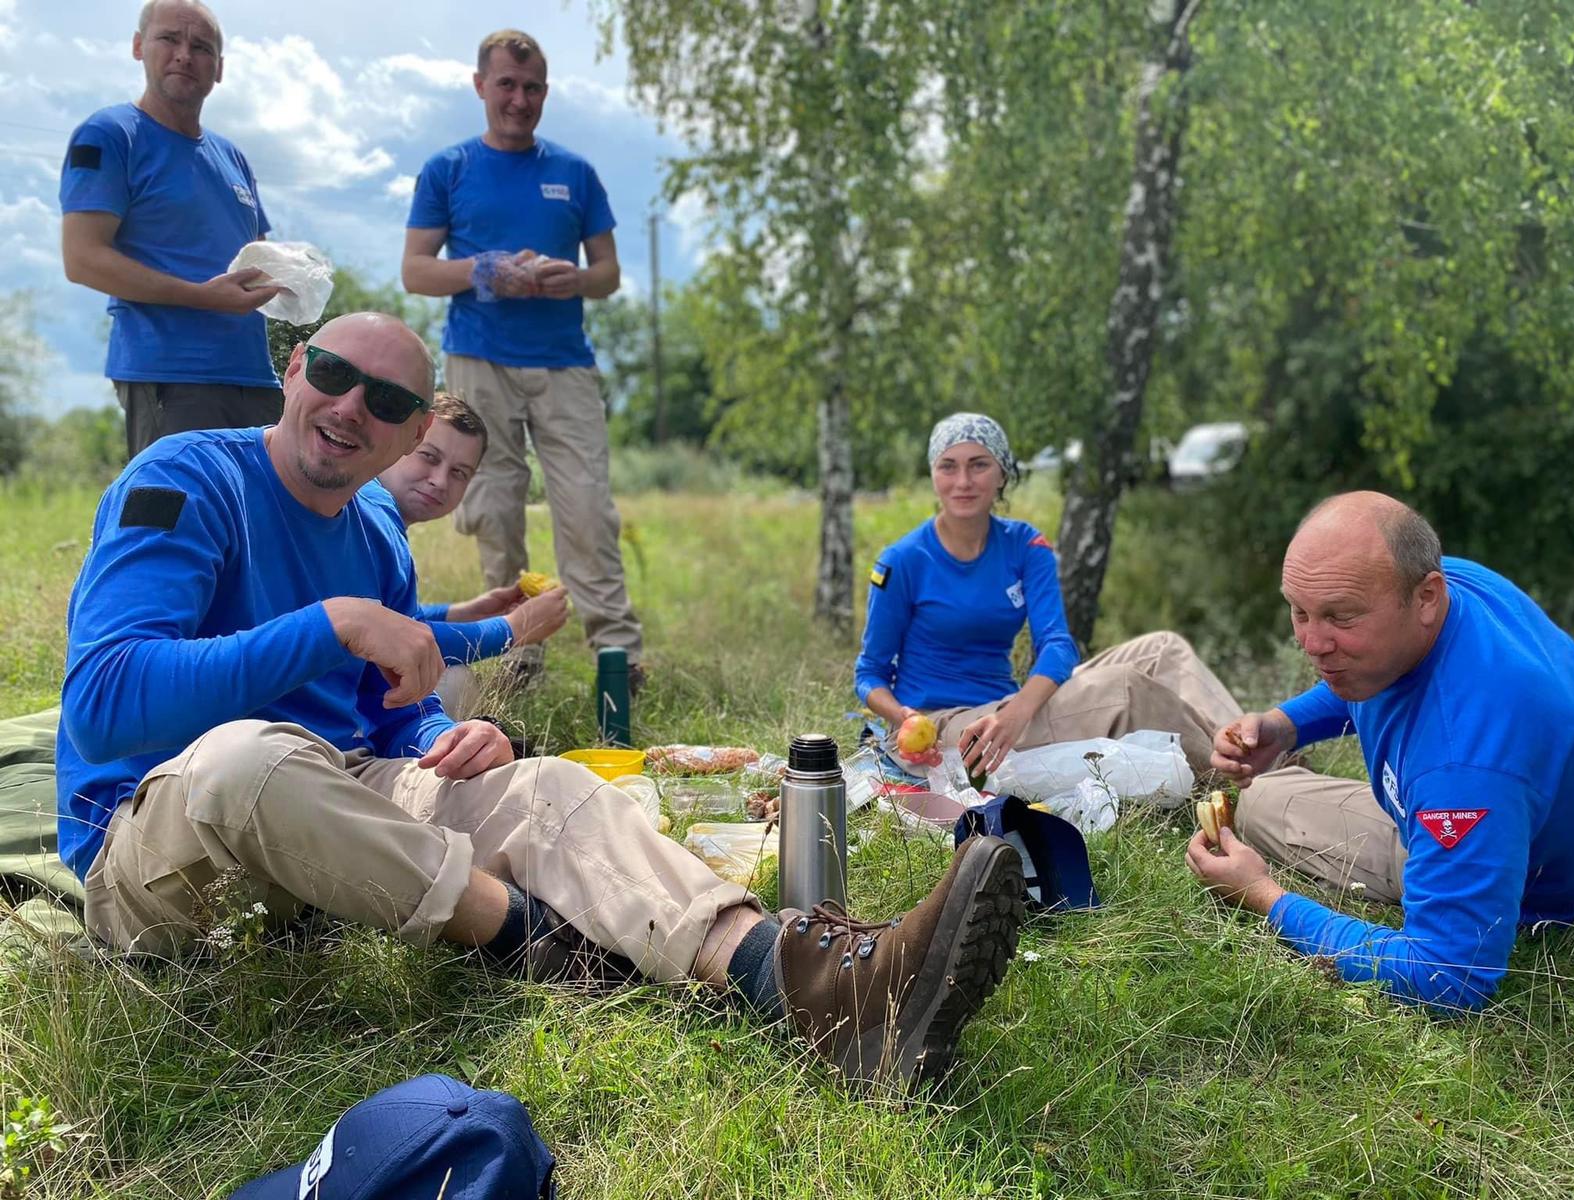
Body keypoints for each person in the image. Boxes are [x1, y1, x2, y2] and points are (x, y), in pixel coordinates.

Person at [55, 311, 1026, 1090]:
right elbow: (104, 702)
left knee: (547, 784)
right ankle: (534, 941)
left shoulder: (376, 539)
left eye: (387, 399)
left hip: (332, 815)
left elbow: (393, 718)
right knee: (251, 758)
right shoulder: (186, 481)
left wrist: (449, 731)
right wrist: (331, 624)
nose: (353, 406)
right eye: (336, 374)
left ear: (406, 429)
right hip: (158, 845)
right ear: (293, 367)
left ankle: (800, 981)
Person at [1188, 492, 1574, 1010]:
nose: (1312, 643)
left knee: (1265, 808)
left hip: (1524, 876)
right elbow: (1365, 677)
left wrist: (1264, 897)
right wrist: (1285, 726)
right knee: (1265, 794)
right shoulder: (1452, 586)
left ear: (1425, 597)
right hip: (1531, 802)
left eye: (1340, 617)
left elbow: (1449, 975)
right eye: (1299, 611)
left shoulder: (1463, 767)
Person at [401, 28, 644, 693]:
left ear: (545, 93)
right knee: (495, 506)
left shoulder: (575, 173)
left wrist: (577, 279)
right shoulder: (447, 169)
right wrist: (482, 271)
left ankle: (617, 659)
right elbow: (416, 272)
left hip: (564, 361)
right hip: (479, 357)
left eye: (532, 87)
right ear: (481, 85)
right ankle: (517, 657)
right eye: (506, 84)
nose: (519, 99)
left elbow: (610, 273)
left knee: (588, 506)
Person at [856, 412, 1245, 782]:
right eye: (948, 466)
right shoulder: (902, 561)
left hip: (1004, 712)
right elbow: (869, 673)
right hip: (946, 724)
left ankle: (1256, 750)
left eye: (979, 464)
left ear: (1003, 472)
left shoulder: (1025, 545)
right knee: (1124, 690)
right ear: (933, 474)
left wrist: (1017, 711)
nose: (963, 481)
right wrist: (903, 717)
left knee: (1164, 649)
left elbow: (1057, 644)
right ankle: (1236, 772)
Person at [59, 0, 284, 458]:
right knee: (184, 523)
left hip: (255, 376)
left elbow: (259, 260)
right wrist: (204, 297)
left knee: (260, 524)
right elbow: (81, 259)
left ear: (218, 69)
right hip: (173, 377)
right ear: (139, 46)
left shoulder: (233, 157)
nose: (184, 54)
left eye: (201, 47)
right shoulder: (110, 134)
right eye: (169, 39)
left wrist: (299, 275)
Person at [375, 392, 567, 721]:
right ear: (403, 441)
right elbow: (391, 641)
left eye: (459, 472)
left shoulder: (381, 512)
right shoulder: (371, 517)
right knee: (454, 682)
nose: (439, 481)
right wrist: (514, 628)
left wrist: (467, 612)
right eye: (429, 457)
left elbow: (391, 618)